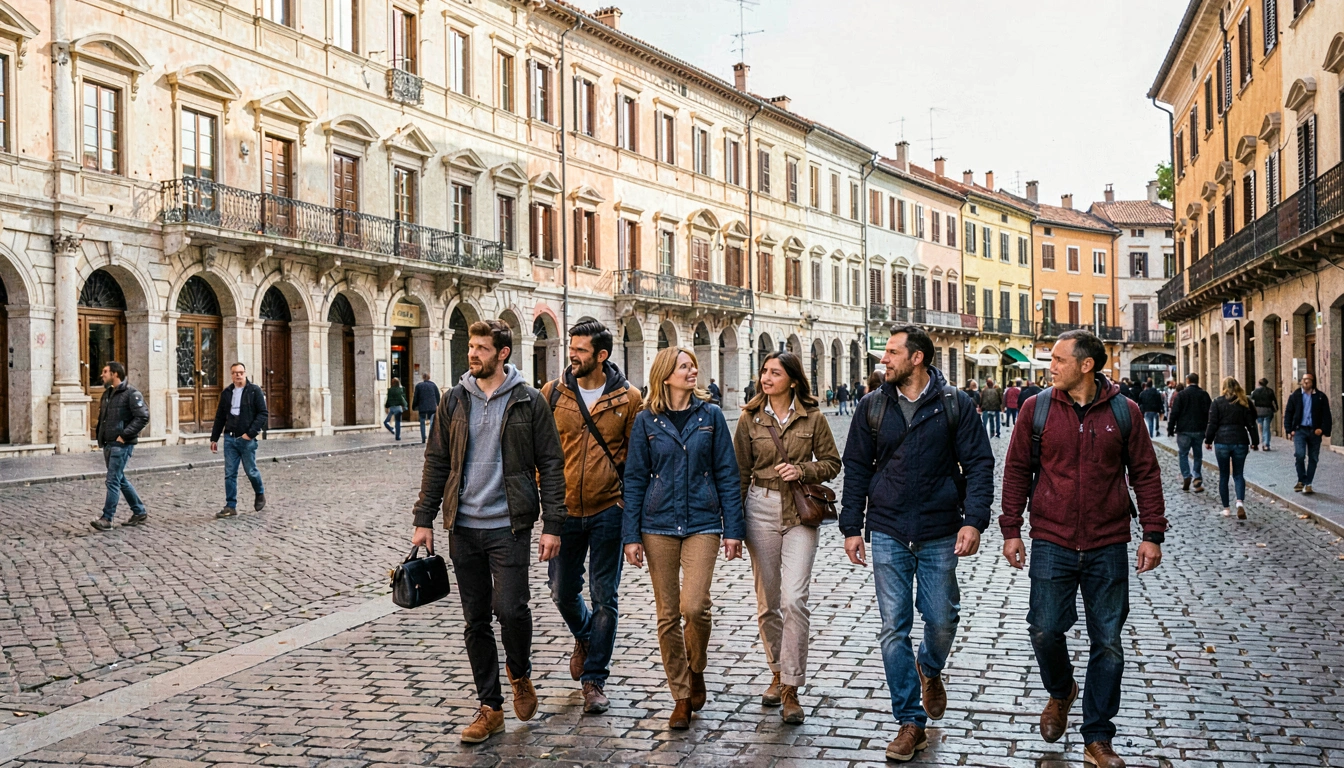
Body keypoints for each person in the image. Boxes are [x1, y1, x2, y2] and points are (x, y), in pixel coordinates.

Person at [1000, 330, 1167, 768]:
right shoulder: (1035, 410)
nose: (1050, 366)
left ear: (1086, 365)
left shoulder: (1123, 412)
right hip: (1051, 539)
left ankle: (1097, 735)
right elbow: (1017, 469)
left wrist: (1152, 533)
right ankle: (1061, 690)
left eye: (1058, 359)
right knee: (1044, 629)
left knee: (1108, 643)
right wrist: (1011, 528)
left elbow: (1145, 473)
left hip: (1108, 542)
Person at [840, 326, 995, 763]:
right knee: (894, 627)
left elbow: (980, 464)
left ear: (918, 358)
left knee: (943, 618)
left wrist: (975, 522)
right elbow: (855, 468)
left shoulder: (955, 405)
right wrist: (853, 526)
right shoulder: (872, 406)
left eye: (892, 352)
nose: (883, 359)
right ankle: (910, 722)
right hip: (888, 527)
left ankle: (930, 666)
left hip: (940, 528)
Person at [410, 319, 566, 744]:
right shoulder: (454, 400)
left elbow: (551, 464)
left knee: (512, 609)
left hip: (508, 525)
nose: (472, 353)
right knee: (475, 620)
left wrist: (553, 524)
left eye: (481, 347)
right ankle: (490, 707)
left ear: (503, 354)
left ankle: (520, 672)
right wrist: (423, 519)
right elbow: (437, 460)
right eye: (471, 347)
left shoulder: (529, 401)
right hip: (463, 526)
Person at [622, 346, 744, 731]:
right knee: (666, 615)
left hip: (703, 522)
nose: (693, 371)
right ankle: (679, 695)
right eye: (685, 366)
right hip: (656, 524)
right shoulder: (646, 421)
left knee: (695, 607)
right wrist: (631, 537)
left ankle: (696, 668)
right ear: (665, 375)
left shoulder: (710, 416)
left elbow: (727, 473)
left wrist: (733, 531)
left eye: (693, 365)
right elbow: (636, 478)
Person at [733, 352, 841, 725]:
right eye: (764, 371)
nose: (766, 377)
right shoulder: (750, 419)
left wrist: (802, 469)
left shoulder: (814, 417)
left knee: (794, 599)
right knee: (768, 601)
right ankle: (776, 672)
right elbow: (739, 473)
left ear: (793, 380)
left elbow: (831, 462)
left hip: (799, 511)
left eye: (775, 373)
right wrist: (733, 527)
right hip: (758, 507)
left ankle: (792, 686)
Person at [541, 320, 643, 715]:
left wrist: (624, 506)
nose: (572, 354)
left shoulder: (628, 398)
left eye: (581, 350)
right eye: (572, 347)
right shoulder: (552, 393)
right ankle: (586, 636)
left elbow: (636, 461)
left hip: (607, 510)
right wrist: (546, 494)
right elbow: (543, 452)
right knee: (561, 591)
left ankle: (594, 679)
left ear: (601, 356)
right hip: (564, 511)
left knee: (605, 595)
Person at [90, 361, 150, 531]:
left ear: (115, 374)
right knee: (119, 478)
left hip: (120, 445)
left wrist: (124, 435)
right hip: (108, 443)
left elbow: (143, 417)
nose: (102, 375)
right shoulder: (108, 393)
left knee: (112, 480)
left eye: (105, 372)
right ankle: (139, 511)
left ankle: (107, 518)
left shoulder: (131, 393)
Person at [209, 362, 269, 519]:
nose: (238, 375)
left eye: (241, 372)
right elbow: (220, 416)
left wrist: (250, 434)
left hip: (246, 439)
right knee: (230, 473)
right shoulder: (227, 393)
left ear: (245, 373)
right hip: (229, 438)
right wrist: (214, 438)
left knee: (251, 471)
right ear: (231, 375)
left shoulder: (254, 391)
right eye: (235, 373)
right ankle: (230, 506)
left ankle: (260, 493)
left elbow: (262, 414)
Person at [1205, 377, 1259, 518]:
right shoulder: (1243, 402)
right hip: (1240, 440)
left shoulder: (1217, 402)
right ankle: (1240, 502)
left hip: (1222, 441)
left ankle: (1226, 509)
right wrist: (1255, 441)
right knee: (1238, 474)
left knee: (1223, 475)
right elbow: (1251, 423)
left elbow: (1212, 423)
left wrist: (1208, 440)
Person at [1285, 372, 1332, 494]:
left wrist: (1322, 429)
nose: (1305, 382)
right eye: (1304, 380)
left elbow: (1326, 415)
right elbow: (1289, 413)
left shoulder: (1320, 397)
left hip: (1314, 431)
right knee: (1299, 454)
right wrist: (1290, 430)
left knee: (1314, 458)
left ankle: (1308, 483)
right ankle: (1302, 479)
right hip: (1300, 430)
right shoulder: (1295, 395)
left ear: (1313, 382)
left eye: (1308, 380)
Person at [1168, 373, 1211, 493]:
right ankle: (1197, 476)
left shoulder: (1181, 395)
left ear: (1187, 381)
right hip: (1199, 429)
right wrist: (1209, 431)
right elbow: (1209, 413)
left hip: (1183, 429)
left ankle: (1186, 475)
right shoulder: (1204, 394)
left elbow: (1174, 413)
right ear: (1198, 381)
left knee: (1183, 454)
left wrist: (1170, 428)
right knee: (1198, 454)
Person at [412, 372, 441, 444]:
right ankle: (431, 438)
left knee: (422, 422)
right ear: (429, 377)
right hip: (432, 407)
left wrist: (414, 406)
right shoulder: (433, 385)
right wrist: (437, 404)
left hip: (422, 407)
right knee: (432, 422)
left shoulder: (419, 386)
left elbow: (416, 397)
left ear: (423, 378)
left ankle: (423, 438)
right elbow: (438, 396)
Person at [1249, 378, 1278, 451]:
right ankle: (1266, 444)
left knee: (1260, 427)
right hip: (1268, 411)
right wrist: (1276, 408)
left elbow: (1251, 399)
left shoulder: (1255, 391)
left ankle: (1261, 442)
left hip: (1258, 411)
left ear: (1259, 383)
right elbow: (1274, 400)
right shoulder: (1270, 391)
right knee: (1267, 428)